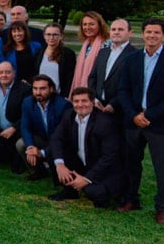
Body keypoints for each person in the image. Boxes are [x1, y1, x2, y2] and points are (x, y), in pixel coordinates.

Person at [116, 17, 164, 222]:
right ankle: (131, 199)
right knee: (131, 163)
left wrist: (149, 115)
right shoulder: (132, 59)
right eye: (148, 32)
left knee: (161, 166)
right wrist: (134, 115)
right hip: (133, 121)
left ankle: (162, 207)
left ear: (163, 35)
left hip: (159, 122)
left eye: (156, 32)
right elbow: (122, 90)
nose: (152, 35)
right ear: (142, 33)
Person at [47, 87, 124, 208]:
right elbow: (56, 138)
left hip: (104, 170)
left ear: (92, 103)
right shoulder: (69, 115)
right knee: (54, 151)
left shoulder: (105, 122)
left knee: (92, 192)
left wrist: (86, 179)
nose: (80, 104)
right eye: (76, 101)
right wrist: (60, 165)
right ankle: (70, 192)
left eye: (84, 101)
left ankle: (107, 193)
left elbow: (109, 157)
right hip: (83, 163)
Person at [17, 74, 73, 180]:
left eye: (42, 89)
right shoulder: (27, 102)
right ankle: (38, 171)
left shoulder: (62, 105)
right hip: (43, 139)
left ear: (51, 89)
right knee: (21, 144)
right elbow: (25, 127)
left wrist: (42, 152)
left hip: (61, 143)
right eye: (35, 88)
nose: (38, 92)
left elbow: (65, 136)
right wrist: (30, 147)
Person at [0, 62, 31, 169]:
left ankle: (16, 155)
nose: (4, 75)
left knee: (17, 167)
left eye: (8, 72)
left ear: (14, 73)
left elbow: (28, 114)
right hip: (0, 131)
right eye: (1, 72)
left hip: (18, 131)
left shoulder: (25, 89)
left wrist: (14, 128)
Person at [88, 19, 136, 119]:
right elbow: (92, 77)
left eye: (121, 29)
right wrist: (94, 99)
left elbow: (133, 85)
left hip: (120, 110)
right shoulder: (103, 52)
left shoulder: (135, 55)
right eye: (113, 29)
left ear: (130, 33)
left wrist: (113, 104)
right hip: (97, 107)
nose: (116, 32)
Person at [70, 11, 109, 96]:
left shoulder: (106, 45)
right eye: (85, 24)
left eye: (91, 24)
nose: (87, 27)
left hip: (96, 90)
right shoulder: (85, 44)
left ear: (100, 25)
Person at [34, 23, 76, 98]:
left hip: (59, 96)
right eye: (48, 34)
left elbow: (70, 78)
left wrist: (66, 96)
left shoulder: (68, 54)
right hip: (40, 95)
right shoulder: (39, 53)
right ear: (44, 36)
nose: (51, 37)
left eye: (55, 34)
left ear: (61, 36)